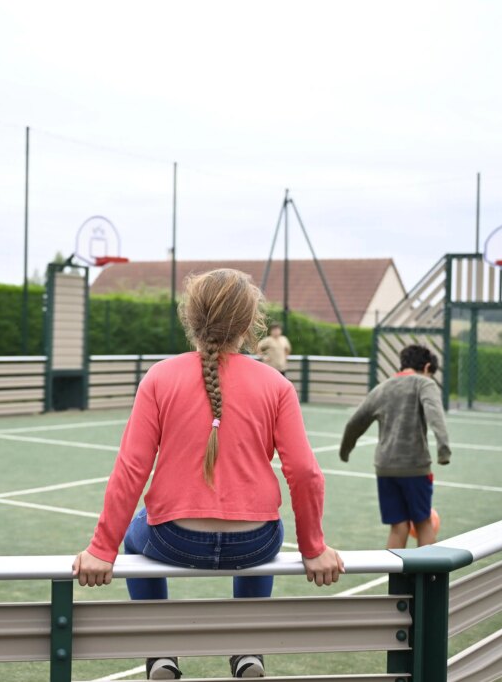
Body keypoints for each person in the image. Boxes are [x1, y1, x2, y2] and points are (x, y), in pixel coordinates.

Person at [72, 269, 343, 680]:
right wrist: (314, 546)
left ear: (190, 318)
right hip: (254, 543)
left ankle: (160, 652)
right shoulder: (277, 385)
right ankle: (247, 650)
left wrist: (100, 549)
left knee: (132, 535)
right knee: (269, 528)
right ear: (250, 324)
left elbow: (131, 469)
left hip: (173, 539)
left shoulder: (160, 377)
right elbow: (305, 473)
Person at [338, 344, 451, 550]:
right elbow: (435, 415)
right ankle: (428, 580)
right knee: (423, 523)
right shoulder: (425, 384)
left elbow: (355, 422)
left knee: (398, 527)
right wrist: (443, 450)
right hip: (414, 465)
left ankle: (398, 580)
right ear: (427, 367)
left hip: (385, 467)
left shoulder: (383, 388)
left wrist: (345, 449)